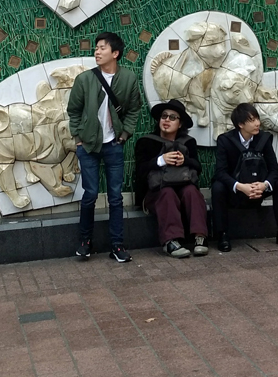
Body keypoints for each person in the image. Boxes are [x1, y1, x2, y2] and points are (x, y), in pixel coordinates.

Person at [67, 32, 142, 263]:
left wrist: (124, 135)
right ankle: (84, 242)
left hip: (114, 145)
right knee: (90, 194)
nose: (97, 52)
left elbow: (134, 110)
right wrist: (78, 137)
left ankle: (117, 245)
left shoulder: (128, 79)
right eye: (96, 48)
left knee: (115, 197)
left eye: (102, 48)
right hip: (87, 146)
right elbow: (74, 110)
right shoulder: (85, 79)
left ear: (115, 53)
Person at [212, 103, 278, 252]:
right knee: (217, 187)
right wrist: (241, 187)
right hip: (237, 191)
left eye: (257, 119)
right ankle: (222, 235)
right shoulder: (225, 140)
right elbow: (220, 172)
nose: (257, 123)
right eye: (252, 120)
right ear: (240, 124)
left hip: (258, 187)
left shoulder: (263, 139)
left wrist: (264, 185)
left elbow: (274, 170)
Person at [134, 99, 209, 258]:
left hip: (183, 188)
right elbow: (140, 172)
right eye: (164, 116)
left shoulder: (188, 142)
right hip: (156, 193)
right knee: (167, 193)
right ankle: (170, 241)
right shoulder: (146, 142)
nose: (166, 120)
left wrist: (185, 160)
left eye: (172, 117)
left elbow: (198, 167)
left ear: (180, 124)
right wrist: (160, 160)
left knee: (191, 191)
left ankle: (200, 237)